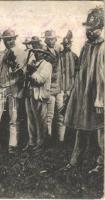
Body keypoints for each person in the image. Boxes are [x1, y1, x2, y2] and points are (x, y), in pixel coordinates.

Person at [63, 7, 104, 174]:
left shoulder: (102, 47)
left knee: (102, 131)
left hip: (96, 97)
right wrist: (74, 93)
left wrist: (101, 100)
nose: (89, 31)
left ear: (101, 29)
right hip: (83, 95)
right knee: (81, 128)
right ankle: (75, 162)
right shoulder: (86, 46)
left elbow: (102, 76)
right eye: (88, 28)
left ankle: (102, 165)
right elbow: (80, 72)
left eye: (93, 28)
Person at [0, 29, 27, 154]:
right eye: (6, 39)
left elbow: (22, 73)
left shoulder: (21, 53)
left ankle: (12, 145)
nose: (9, 41)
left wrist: (13, 64)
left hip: (13, 87)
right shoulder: (0, 54)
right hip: (0, 86)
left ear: (15, 39)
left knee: (14, 117)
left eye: (11, 38)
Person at [23, 43, 52, 152]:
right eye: (35, 51)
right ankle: (32, 142)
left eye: (40, 52)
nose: (36, 53)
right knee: (30, 120)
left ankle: (41, 144)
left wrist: (32, 71)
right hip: (29, 93)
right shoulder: (31, 63)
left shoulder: (47, 65)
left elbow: (40, 80)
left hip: (39, 95)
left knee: (40, 120)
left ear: (44, 54)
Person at [42, 30, 64, 143]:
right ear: (45, 40)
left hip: (58, 87)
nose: (51, 41)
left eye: (53, 39)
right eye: (49, 39)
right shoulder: (43, 53)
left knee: (61, 114)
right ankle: (48, 139)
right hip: (49, 87)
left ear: (56, 40)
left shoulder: (57, 51)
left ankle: (61, 140)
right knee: (49, 116)